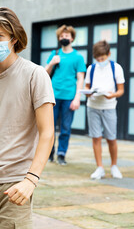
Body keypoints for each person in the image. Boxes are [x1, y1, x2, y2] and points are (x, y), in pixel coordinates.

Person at [0, 7, 55, 229]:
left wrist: (31, 180)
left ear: (14, 38)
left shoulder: (35, 75)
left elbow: (47, 132)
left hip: (15, 184)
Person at [45, 25, 86, 165]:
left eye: (66, 36)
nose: (64, 38)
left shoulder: (78, 57)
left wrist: (77, 98)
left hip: (69, 97)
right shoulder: (55, 53)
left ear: (72, 38)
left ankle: (61, 154)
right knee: (49, 127)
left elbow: (81, 78)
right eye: (61, 36)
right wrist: (51, 63)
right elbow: (45, 73)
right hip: (53, 96)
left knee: (65, 128)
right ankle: (49, 153)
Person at [84, 40, 125, 179]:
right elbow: (88, 88)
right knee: (96, 138)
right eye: (97, 58)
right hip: (93, 106)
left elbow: (121, 90)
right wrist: (89, 92)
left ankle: (114, 166)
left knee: (111, 138)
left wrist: (112, 95)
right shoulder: (92, 69)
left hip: (109, 107)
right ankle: (99, 168)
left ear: (109, 54)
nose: (100, 61)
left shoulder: (116, 68)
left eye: (102, 58)